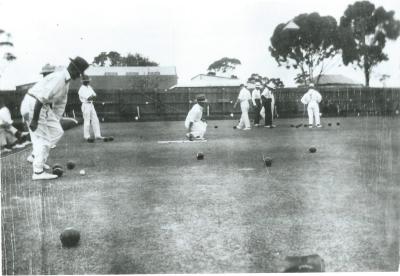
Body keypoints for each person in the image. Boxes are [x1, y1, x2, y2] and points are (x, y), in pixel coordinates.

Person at [20, 56, 89, 180]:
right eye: (79, 73)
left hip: (40, 106)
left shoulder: (65, 81)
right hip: (33, 104)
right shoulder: (59, 78)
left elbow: (60, 104)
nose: (79, 76)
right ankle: (38, 172)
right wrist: (35, 120)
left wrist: (54, 121)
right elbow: (41, 98)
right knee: (44, 140)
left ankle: (36, 156)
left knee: (57, 131)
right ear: (74, 69)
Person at [26, 64, 57, 164]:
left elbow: (47, 104)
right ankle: (38, 166)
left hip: (33, 109)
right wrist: (35, 120)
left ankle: (35, 158)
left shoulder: (46, 84)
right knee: (43, 139)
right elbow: (39, 102)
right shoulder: (47, 85)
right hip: (33, 109)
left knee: (38, 138)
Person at [78, 75, 104, 142]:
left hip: (91, 105)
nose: (87, 82)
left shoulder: (89, 87)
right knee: (87, 121)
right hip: (85, 105)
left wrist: (92, 97)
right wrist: (92, 97)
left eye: (88, 80)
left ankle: (97, 135)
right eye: (86, 81)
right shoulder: (81, 89)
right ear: (83, 82)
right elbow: (89, 97)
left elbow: (95, 95)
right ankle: (86, 136)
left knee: (95, 119)